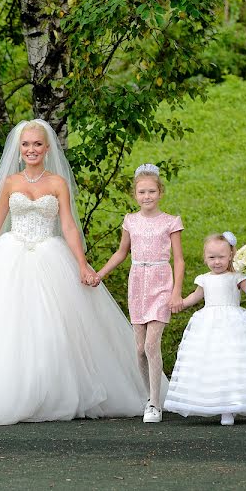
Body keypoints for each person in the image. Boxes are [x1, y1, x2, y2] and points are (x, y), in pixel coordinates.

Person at [0, 119, 153, 426]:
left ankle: (52, 393)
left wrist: (82, 264)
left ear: (46, 148)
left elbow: (68, 225)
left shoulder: (57, 183)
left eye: (37, 144)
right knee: (5, 327)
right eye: (26, 144)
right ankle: (5, 394)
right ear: (19, 149)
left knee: (53, 326)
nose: (31, 149)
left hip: (49, 255)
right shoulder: (11, 183)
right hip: (10, 256)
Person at [163, 232, 246, 426]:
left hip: (234, 323)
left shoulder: (236, 276)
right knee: (213, 362)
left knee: (233, 361)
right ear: (205, 258)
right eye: (211, 258)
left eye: (221, 257)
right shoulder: (204, 279)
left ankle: (231, 407)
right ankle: (218, 404)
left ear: (231, 255)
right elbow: (195, 297)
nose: (216, 262)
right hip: (208, 325)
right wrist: (178, 304)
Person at [95, 163, 185, 423]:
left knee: (150, 344)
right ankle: (149, 396)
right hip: (137, 283)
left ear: (160, 192)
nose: (147, 197)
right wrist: (100, 274)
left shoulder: (170, 222)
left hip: (160, 282)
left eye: (152, 192)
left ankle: (155, 404)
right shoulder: (130, 221)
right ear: (135, 195)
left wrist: (176, 291)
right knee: (138, 348)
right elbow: (122, 253)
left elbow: (178, 259)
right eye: (142, 192)